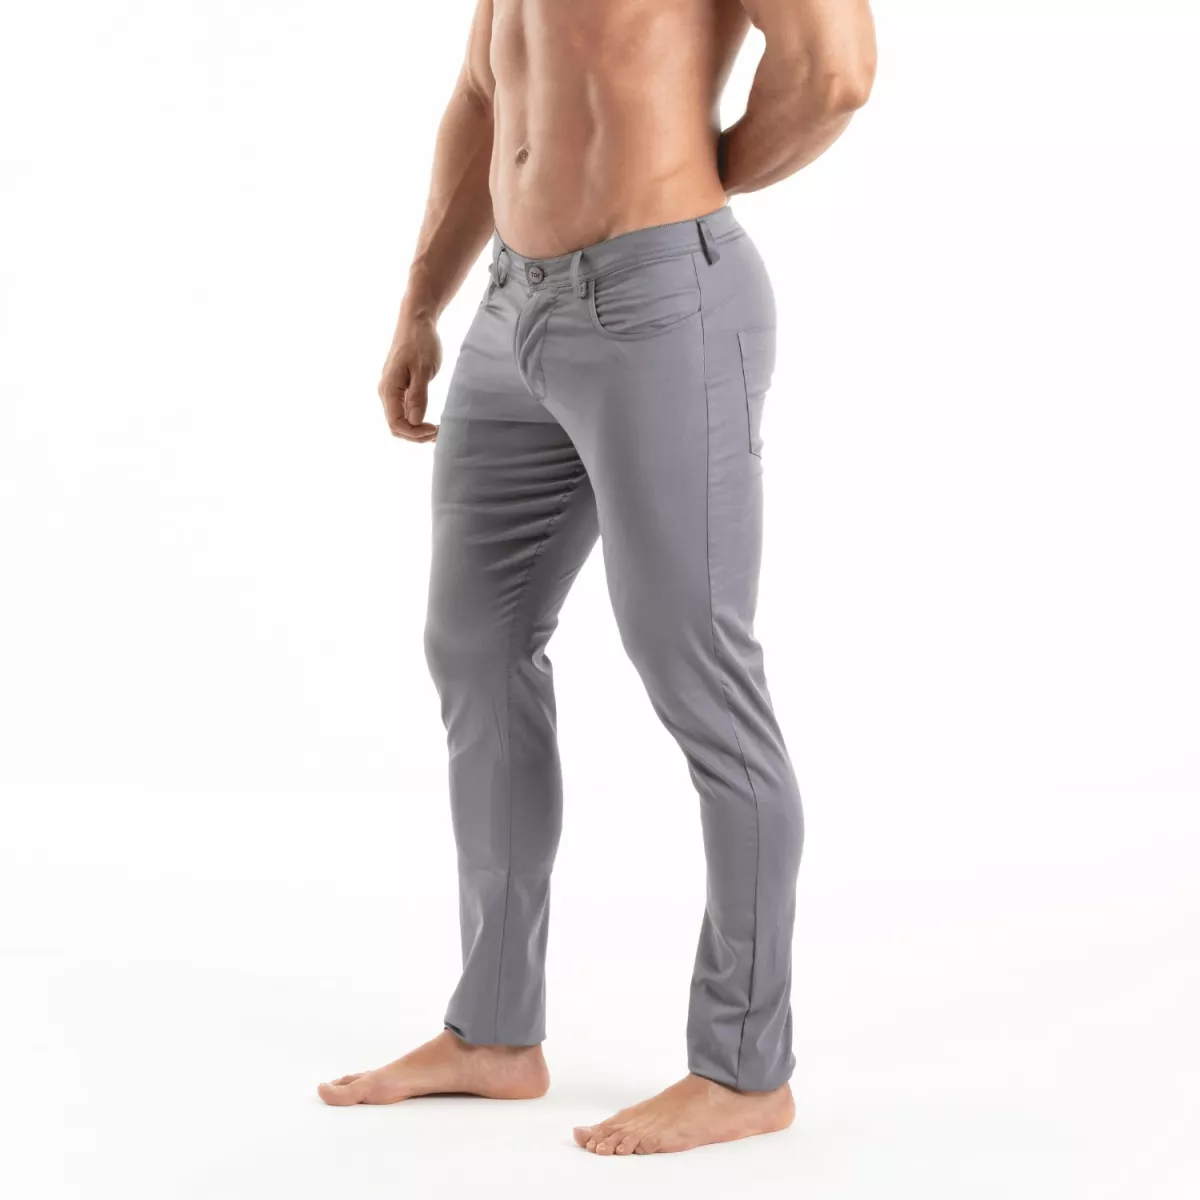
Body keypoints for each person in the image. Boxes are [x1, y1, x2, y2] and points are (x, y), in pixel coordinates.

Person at [318, 0, 876, 1156]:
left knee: (696, 670)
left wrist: (689, 186)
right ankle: (493, 1034)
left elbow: (835, 72)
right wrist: (421, 303)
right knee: (474, 647)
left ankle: (743, 1071)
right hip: (509, 310)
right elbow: (486, 92)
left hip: (660, 304)